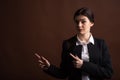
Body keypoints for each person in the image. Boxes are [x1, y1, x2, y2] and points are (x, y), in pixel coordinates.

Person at [35, 7, 113, 80]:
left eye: (83, 21)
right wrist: (49, 67)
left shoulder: (101, 44)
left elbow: (108, 73)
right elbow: (64, 74)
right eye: (76, 22)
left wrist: (83, 65)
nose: (79, 25)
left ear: (91, 23)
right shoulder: (68, 44)